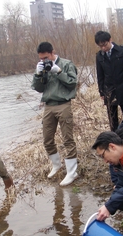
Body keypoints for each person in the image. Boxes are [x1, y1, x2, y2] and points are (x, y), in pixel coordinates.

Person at [31, 42, 78, 186]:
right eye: (41, 59)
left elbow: (72, 83)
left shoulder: (66, 64)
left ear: (52, 52)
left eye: (46, 58)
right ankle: (57, 165)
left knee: (67, 139)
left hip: (63, 104)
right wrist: (38, 74)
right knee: (47, 138)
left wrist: (58, 71)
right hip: (48, 106)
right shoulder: (42, 66)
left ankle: (72, 172)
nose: (44, 61)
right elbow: (38, 88)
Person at [95, 31, 123, 131]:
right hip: (109, 90)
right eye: (101, 46)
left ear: (110, 40)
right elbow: (100, 75)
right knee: (112, 119)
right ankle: (115, 139)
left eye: (105, 45)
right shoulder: (99, 56)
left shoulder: (122, 51)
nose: (103, 48)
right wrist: (101, 91)